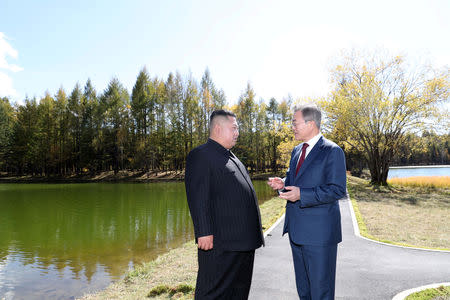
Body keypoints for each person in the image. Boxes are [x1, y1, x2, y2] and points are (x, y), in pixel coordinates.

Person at [267, 104, 347, 300]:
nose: (292, 127)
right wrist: (283, 184)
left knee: (321, 292)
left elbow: (337, 190)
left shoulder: (332, 151)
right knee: (304, 292)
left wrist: (302, 194)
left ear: (311, 123)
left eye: (295, 123)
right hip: (297, 232)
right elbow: (295, 180)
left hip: (320, 236)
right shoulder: (296, 151)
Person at [185, 109, 264, 299]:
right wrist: (203, 231)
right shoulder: (202, 155)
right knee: (213, 293)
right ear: (218, 128)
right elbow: (198, 194)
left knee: (238, 293)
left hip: (243, 243)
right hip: (221, 244)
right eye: (234, 128)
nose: (237, 132)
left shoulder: (231, 156)